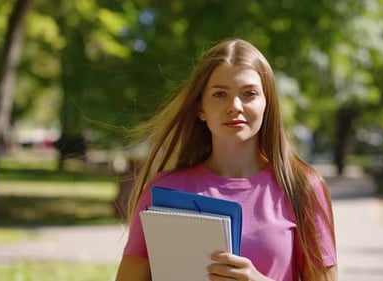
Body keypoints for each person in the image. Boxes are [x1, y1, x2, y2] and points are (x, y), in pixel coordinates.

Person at [115, 38, 337, 281]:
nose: (235, 106)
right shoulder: (162, 191)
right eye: (220, 94)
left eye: (249, 94)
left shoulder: (302, 188)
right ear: (201, 108)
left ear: (267, 104)